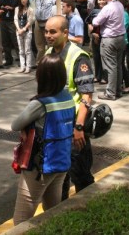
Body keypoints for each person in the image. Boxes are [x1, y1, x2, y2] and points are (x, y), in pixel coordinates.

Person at [11, 54, 74, 225]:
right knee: (53, 214)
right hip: (61, 162)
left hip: (40, 168)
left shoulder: (40, 104)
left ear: (42, 77)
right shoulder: (68, 98)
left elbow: (15, 125)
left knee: (22, 221)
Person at [44, 15, 95, 200]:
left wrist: (79, 127)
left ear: (65, 33)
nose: (48, 35)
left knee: (80, 175)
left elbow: (87, 95)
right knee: (59, 179)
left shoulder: (78, 56)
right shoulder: (48, 52)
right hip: (55, 126)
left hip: (73, 125)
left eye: (53, 32)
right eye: (46, 31)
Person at [93, 0, 128, 100]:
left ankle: (110, 92)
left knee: (110, 67)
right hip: (120, 38)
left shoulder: (108, 8)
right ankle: (117, 90)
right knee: (117, 66)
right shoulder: (120, 5)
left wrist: (94, 19)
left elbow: (96, 22)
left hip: (110, 39)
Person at [33, 0, 57, 64]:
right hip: (38, 21)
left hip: (48, 21)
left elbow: (57, 5)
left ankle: (50, 61)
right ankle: (39, 62)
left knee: (50, 42)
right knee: (39, 44)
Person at [0, 0, 20, 67]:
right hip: (3, 20)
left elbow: (18, 7)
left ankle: (20, 59)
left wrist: (12, 8)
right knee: (5, 41)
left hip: (12, 20)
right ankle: (8, 59)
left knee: (15, 40)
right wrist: (3, 8)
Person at [14, 0, 34, 73]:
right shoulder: (17, 9)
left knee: (27, 50)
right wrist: (18, 29)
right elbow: (15, 19)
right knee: (21, 50)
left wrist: (24, 29)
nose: (23, 1)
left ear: (27, 0)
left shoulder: (30, 9)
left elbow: (30, 21)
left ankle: (28, 66)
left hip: (27, 31)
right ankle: (22, 66)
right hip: (19, 31)